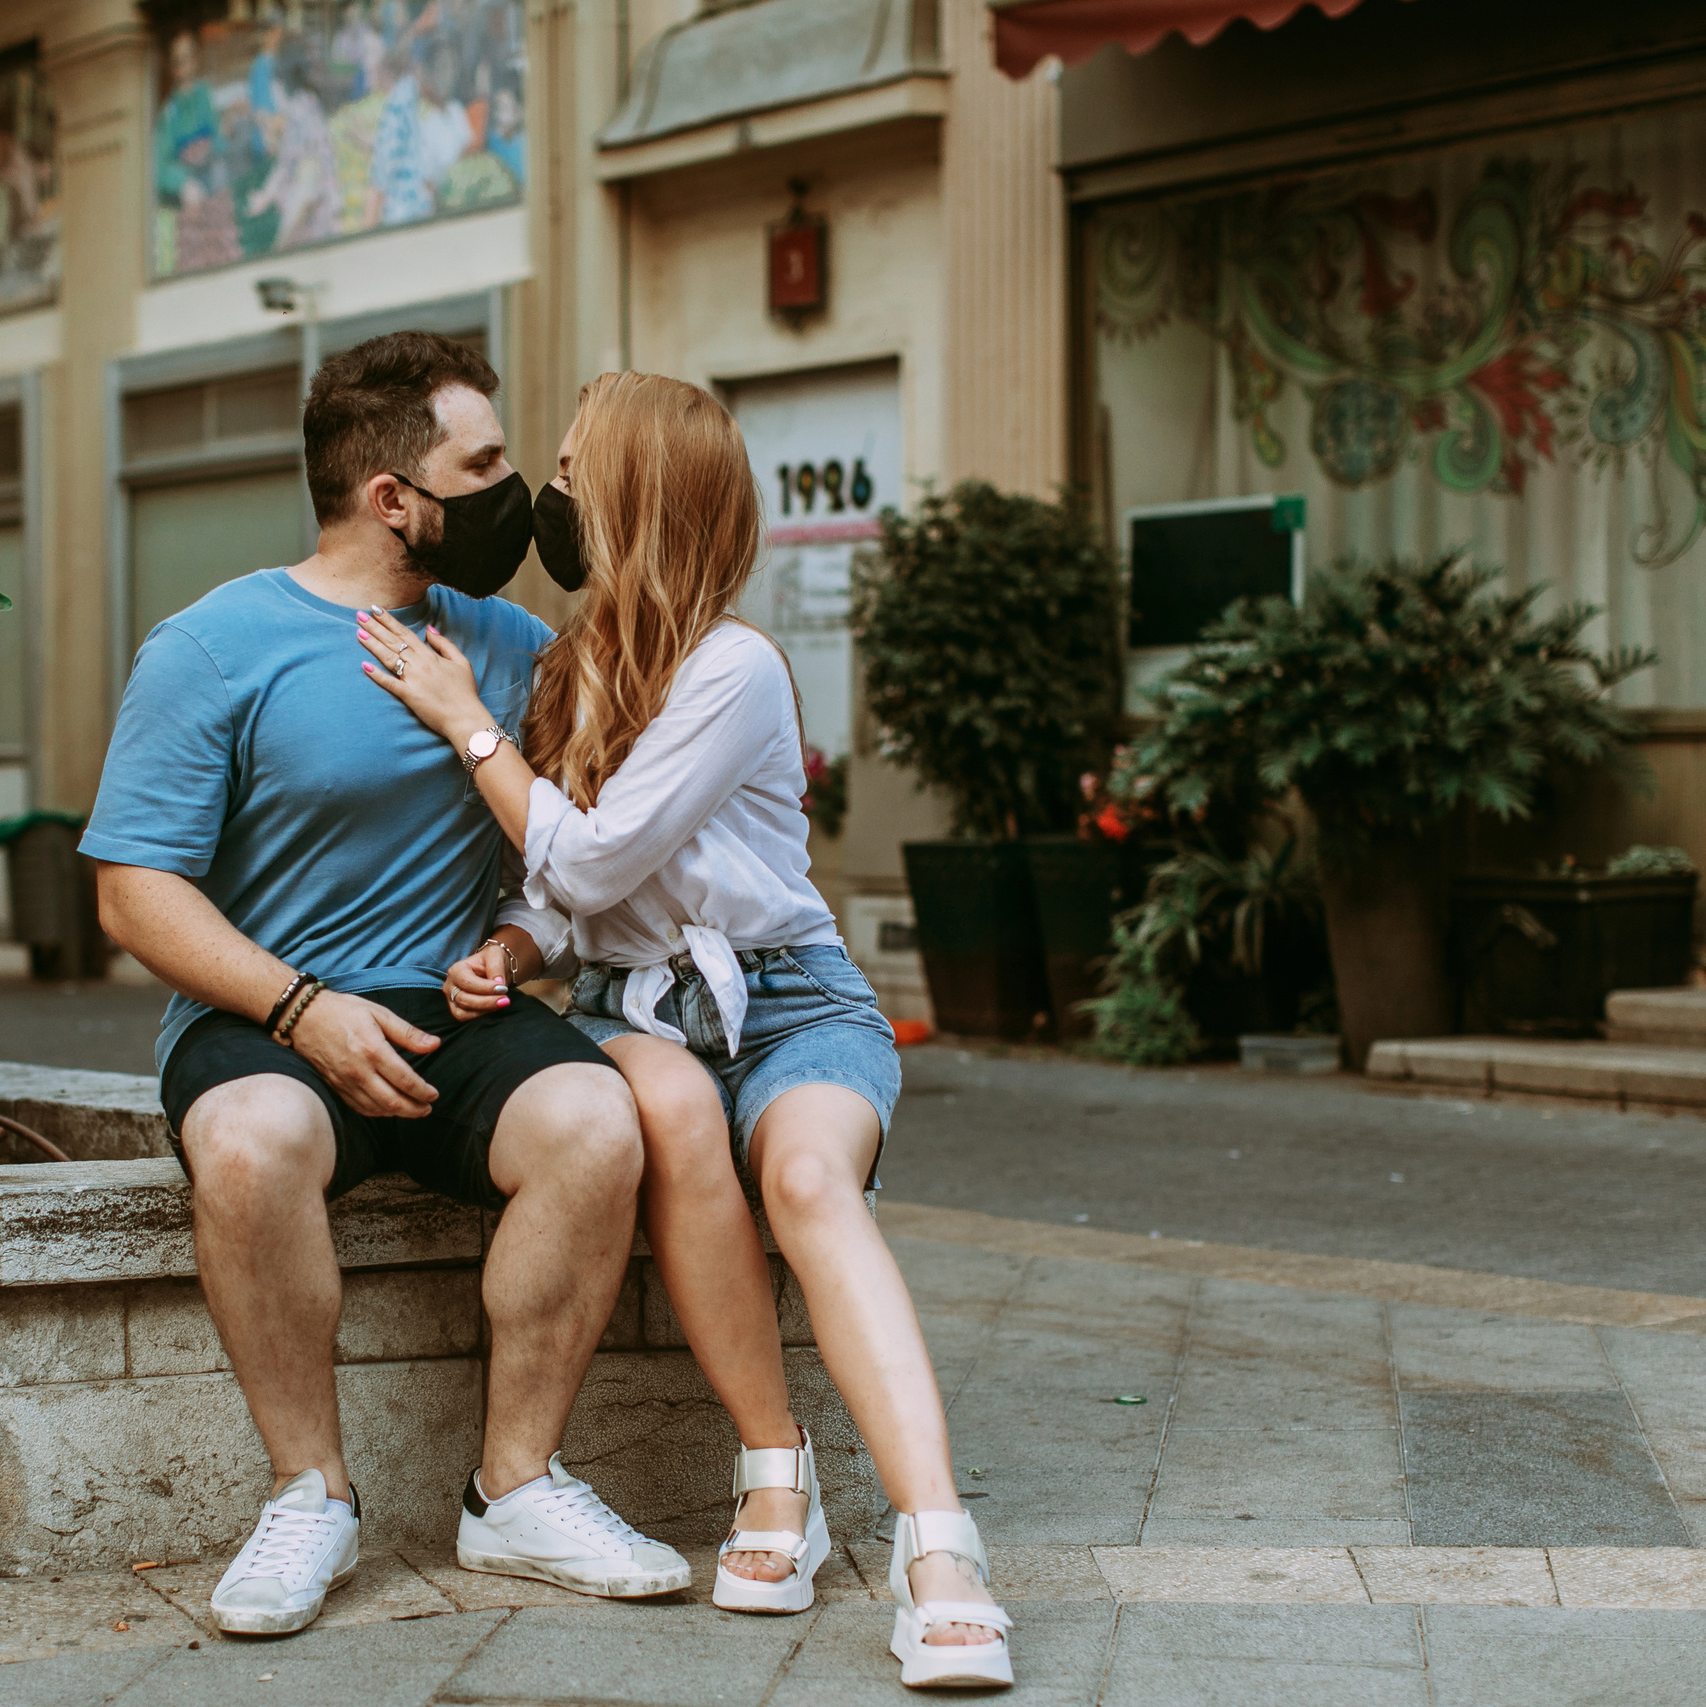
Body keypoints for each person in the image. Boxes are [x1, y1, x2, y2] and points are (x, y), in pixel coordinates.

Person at [353, 371, 1015, 1690]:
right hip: (637, 1008)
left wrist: (464, 725)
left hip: (790, 1002)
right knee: (663, 1110)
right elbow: (565, 897)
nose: (545, 498)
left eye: (566, 468)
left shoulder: (736, 669)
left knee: (812, 1177)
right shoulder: (576, 665)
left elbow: (592, 857)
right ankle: (776, 1472)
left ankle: (941, 1547)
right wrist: (510, 948)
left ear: (636, 496)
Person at [82, 334, 691, 1640]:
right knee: (249, 1146)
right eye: (482, 467)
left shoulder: (513, 644)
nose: (513, 493)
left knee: (597, 1125)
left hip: (457, 1017)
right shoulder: (215, 645)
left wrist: (521, 951)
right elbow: (135, 892)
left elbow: (568, 849)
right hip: (268, 1022)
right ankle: (312, 1494)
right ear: (391, 500)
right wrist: (301, 1007)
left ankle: (515, 1489)